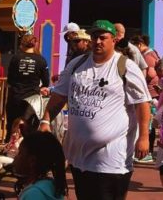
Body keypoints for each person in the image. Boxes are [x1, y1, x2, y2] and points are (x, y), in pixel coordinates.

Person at [40, 20, 150, 200]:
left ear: (113, 40)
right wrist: (45, 121)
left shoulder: (126, 67)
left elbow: (142, 102)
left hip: (111, 161)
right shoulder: (76, 64)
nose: (98, 41)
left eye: (103, 37)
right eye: (94, 37)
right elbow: (59, 96)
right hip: (78, 159)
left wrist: (144, 137)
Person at [7, 34, 50, 141]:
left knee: (12, 123)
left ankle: (10, 146)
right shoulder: (41, 60)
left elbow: (10, 79)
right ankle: (28, 150)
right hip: (32, 100)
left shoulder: (15, 58)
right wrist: (40, 88)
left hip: (15, 96)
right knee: (29, 127)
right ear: (35, 44)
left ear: (22, 44)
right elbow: (46, 81)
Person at [14, 130, 69, 200]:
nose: (16, 157)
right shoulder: (50, 185)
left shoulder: (32, 194)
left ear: (32, 161)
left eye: (20, 153)